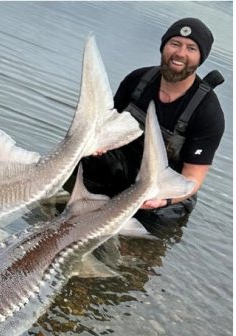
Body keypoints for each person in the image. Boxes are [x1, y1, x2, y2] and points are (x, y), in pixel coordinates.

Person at [73, 18, 225, 226]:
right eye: (175, 44)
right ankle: (67, 211)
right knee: (85, 159)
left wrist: (164, 199)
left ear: (200, 58)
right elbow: (106, 125)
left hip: (164, 187)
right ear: (163, 47)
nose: (180, 53)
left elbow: (193, 177)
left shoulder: (207, 112)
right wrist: (97, 144)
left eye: (191, 48)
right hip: (124, 168)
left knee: (157, 226)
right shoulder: (138, 80)